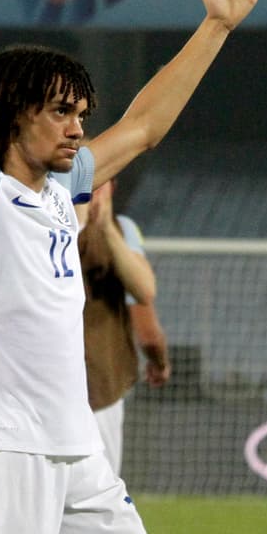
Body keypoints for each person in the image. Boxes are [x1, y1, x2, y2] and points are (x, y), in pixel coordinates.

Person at [0, 0, 267, 534]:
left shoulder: (62, 190)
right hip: (7, 447)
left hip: (77, 447)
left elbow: (143, 127)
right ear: (16, 116)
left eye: (81, 113)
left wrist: (216, 26)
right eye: (61, 112)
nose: (78, 127)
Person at [78, 178, 171, 476]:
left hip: (33, 393)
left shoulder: (29, 225)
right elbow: (147, 323)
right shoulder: (118, 231)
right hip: (97, 389)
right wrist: (159, 361)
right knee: (98, 505)